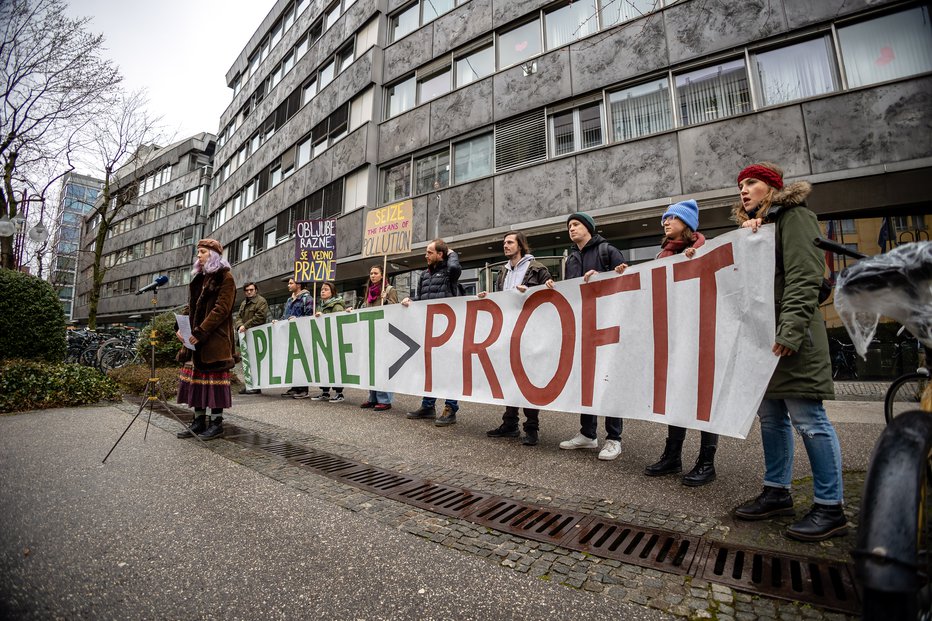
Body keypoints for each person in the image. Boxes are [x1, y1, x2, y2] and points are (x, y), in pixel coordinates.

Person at [729, 162, 846, 542]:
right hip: (764, 341)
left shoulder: (796, 218)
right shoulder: (759, 228)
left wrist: (791, 329)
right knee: (772, 417)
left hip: (790, 338)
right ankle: (777, 491)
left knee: (808, 418)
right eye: (741, 185)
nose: (744, 190)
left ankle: (831, 508)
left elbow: (805, 275)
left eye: (752, 183)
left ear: (772, 188)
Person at [640, 200, 719, 486]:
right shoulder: (663, 255)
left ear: (687, 224)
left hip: (701, 335)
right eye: (665, 218)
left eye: (672, 217)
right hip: (673, 337)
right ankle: (672, 455)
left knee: (703, 399)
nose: (666, 222)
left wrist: (694, 262)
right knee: (677, 397)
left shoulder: (704, 250)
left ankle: (706, 462)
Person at [546, 212, 628, 460]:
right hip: (583, 326)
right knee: (587, 381)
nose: (571, 229)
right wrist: (554, 286)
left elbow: (625, 280)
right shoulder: (571, 259)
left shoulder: (607, 250)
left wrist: (608, 275)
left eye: (576, 225)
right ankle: (588, 434)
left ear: (588, 228)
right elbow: (571, 292)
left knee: (609, 380)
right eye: (569, 226)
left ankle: (614, 438)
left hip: (607, 326)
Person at [480, 231, 552, 446]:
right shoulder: (503, 271)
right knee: (509, 377)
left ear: (520, 245)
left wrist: (530, 291)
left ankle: (531, 428)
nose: (506, 246)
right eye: (504, 243)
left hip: (530, 331)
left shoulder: (538, 268)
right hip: (508, 331)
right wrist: (489, 297)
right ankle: (510, 423)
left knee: (528, 378)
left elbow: (551, 295)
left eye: (510, 242)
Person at [175, 239, 237, 441]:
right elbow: (190, 306)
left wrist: (200, 332)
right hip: (195, 341)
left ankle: (216, 423)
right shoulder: (198, 279)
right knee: (198, 383)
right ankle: (199, 421)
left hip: (214, 341)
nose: (199, 255)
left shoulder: (225, 278)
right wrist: (180, 327)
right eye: (198, 252)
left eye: (202, 252)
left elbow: (221, 310)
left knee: (214, 383)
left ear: (214, 255)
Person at [402, 239, 463, 426]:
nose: (426, 256)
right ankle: (428, 406)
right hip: (430, 329)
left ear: (441, 254)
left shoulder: (449, 272)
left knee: (449, 370)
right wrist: (411, 300)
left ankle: (450, 408)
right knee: (430, 368)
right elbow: (421, 298)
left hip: (447, 330)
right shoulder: (424, 275)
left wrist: (452, 254)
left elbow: (455, 269)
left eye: (429, 252)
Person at [357, 264, 398, 411]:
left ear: (382, 275)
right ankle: (372, 398)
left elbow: (396, 309)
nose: (372, 275)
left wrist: (386, 301)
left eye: (375, 273)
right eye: (371, 273)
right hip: (371, 332)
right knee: (372, 367)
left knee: (382, 366)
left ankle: (385, 399)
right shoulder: (369, 292)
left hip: (384, 334)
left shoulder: (389, 290)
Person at [302, 282, 346, 402]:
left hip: (333, 340)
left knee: (335, 367)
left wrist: (324, 317)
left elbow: (338, 321)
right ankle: (325, 391)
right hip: (323, 340)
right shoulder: (320, 306)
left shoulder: (336, 306)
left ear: (332, 292)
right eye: (322, 289)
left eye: (326, 289)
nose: (322, 291)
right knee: (323, 366)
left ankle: (339, 392)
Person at [280, 278, 313, 398]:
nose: (288, 285)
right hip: (290, 334)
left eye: (291, 283)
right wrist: (278, 322)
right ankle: (295, 386)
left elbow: (309, 315)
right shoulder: (290, 299)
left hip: (302, 334)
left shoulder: (307, 299)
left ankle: (303, 389)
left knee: (302, 361)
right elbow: (285, 315)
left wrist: (297, 320)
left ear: (298, 284)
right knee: (293, 361)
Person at [235, 281, 269, 395]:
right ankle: (249, 385)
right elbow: (238, 317)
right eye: (247, 290)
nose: (249, 292)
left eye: (251, 290)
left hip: (256, 336)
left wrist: (246, 325)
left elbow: (260, 317)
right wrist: (240, 325)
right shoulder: (244, 303)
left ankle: (257, 386)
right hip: (245, 337)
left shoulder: (261, 301)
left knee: (256, 362)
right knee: (246, 362)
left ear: (256, 290)